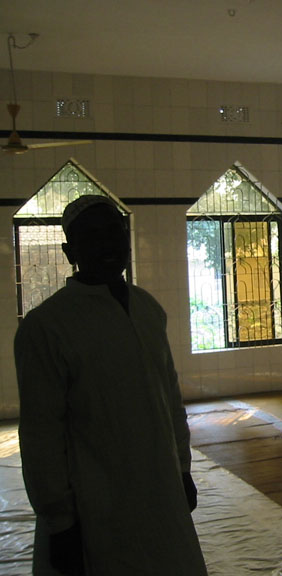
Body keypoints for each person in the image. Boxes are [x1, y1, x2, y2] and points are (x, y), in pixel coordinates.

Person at [15, 195, 208, 575]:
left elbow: (170, 400)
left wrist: (182, 469)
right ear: (70, 251)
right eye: (91, 236)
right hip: (96, 504)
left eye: (113, 232)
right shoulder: (47, 326)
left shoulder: (147, 309)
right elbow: (41, 434)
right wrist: (59, 520)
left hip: (160, 488)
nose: (106, 243)